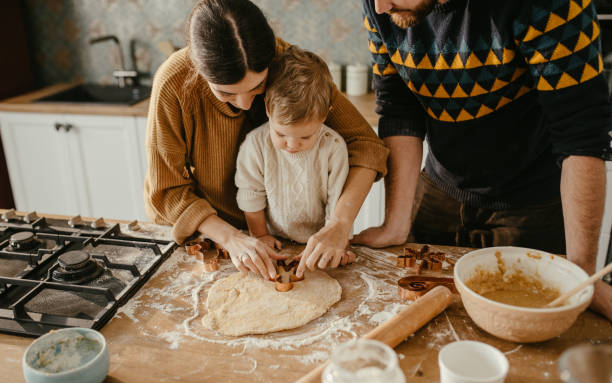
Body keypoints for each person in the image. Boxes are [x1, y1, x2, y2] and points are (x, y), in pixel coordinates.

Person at [353, 0, 612, 320]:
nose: (379, 6)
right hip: (437, 191)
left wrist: (581, 273)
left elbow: (580, 136)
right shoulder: (383, 5)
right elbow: (399, 107)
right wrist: (395, 224)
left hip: (530, 204)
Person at [144, 0, 388, 280]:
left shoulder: (291, 65)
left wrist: (340, 223)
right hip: (215, 237)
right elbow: (167, 192)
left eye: (258, 87)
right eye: (226, 94)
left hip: (284, 239)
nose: (246, 104)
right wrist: (233, 238)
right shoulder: (173, 83)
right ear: (199, 72)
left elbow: (367, 145)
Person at [235, 46, 355, 268]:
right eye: (281, 134)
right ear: (268, 109)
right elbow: (250, 194)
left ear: (325, 114)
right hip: (275, 240)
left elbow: (336, 204)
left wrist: (340, 243)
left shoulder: (334, 147)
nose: (291, 145)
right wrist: (260, 236)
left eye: (306, 136)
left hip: (320, 241)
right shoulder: (255, 144)